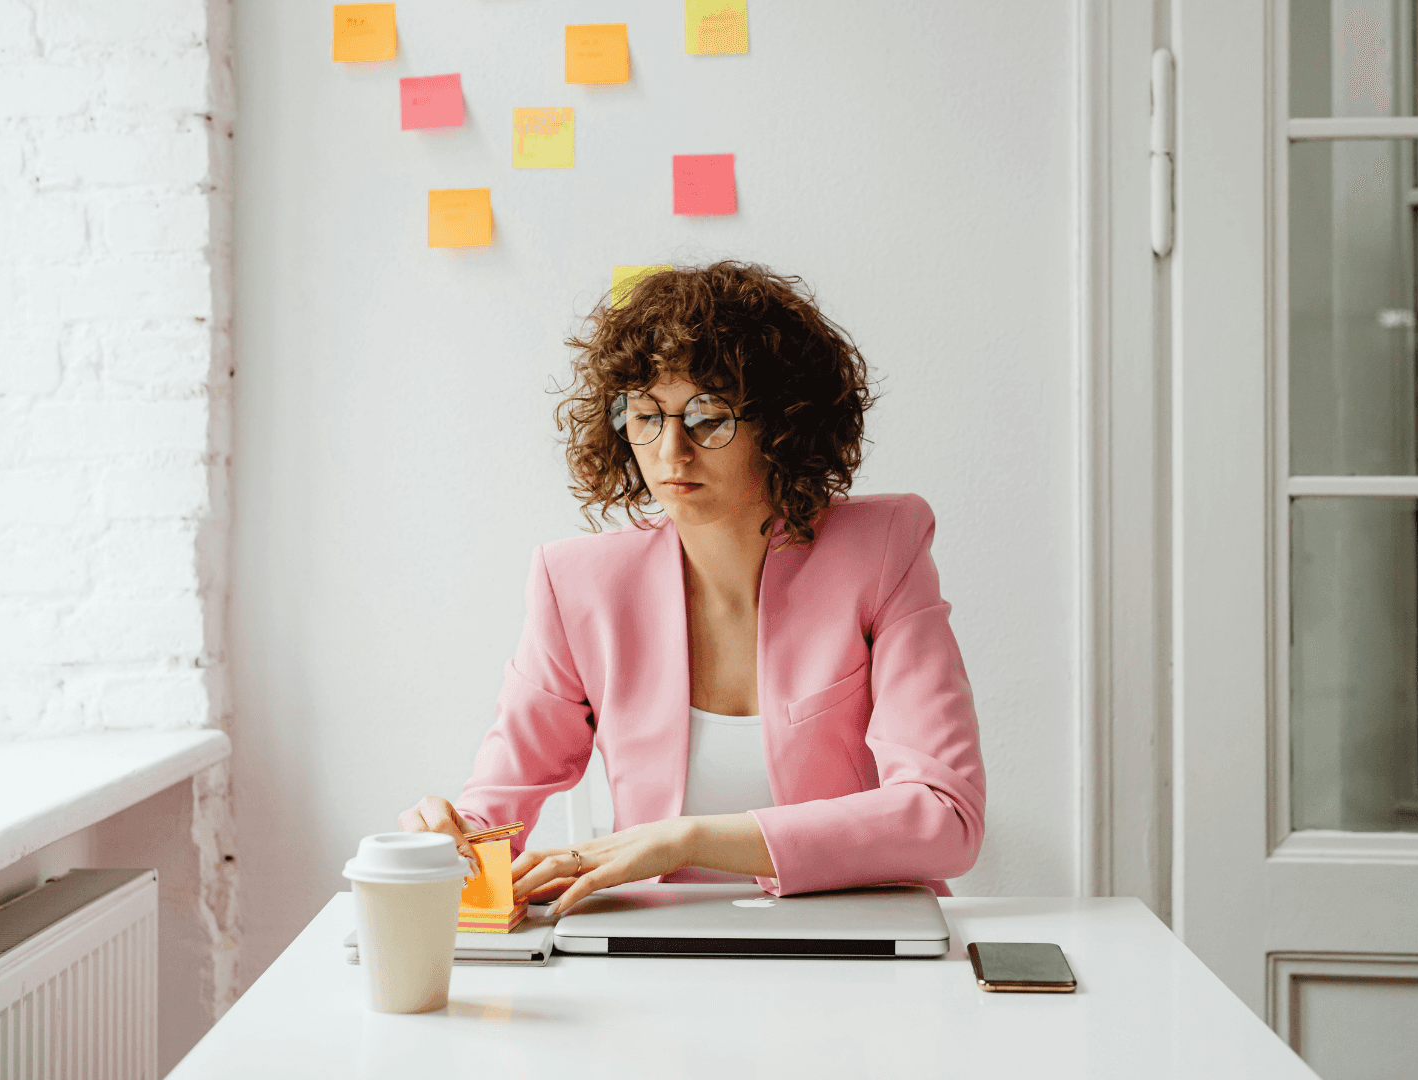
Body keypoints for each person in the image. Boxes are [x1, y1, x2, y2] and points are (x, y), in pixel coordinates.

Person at [399, 261, 985, 915]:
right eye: (646, 415)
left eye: (709, 418)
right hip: (655, 947)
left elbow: (945, 817)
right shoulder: (578, 584)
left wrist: (688, 841)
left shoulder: (880, 549)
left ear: (784, 422)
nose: (671, 450)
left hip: (854, 938)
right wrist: (450, 840)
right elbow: (494, 819)